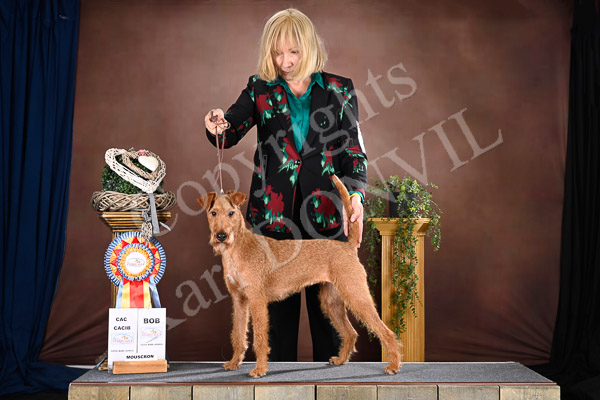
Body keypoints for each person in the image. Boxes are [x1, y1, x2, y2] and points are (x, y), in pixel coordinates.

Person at [204, 8, 368, 362]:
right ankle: (273, 380)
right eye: (277, 53)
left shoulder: (340, 89)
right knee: (275, 323)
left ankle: (331, 381)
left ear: (309, 47)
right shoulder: (259, 88)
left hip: (324, 216)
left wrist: (355, 196)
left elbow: (353, 152)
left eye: (293, 52)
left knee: (329, 319)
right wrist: (216, 123)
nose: (285, 61)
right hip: (272, 220)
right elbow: (229, 131)